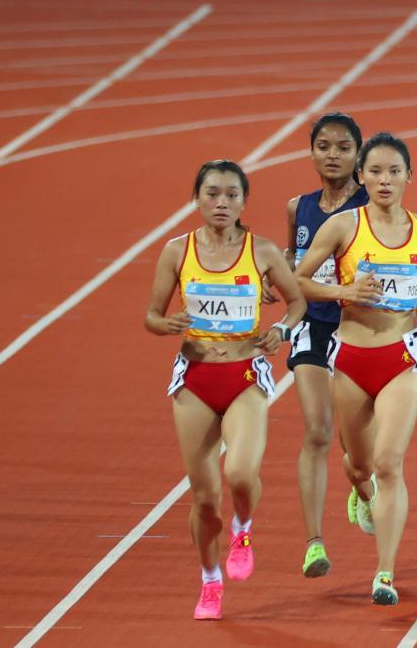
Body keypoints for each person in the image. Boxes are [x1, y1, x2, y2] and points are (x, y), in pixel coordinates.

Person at [294, 133, 417, 606]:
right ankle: (359, 489)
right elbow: (300, 279)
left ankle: (384, 573)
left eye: (394, 171)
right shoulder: (344, 227)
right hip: (350, 355)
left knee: (389, 463)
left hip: (401, 357)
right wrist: (344, 294)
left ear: (409, 176)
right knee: (360, 463)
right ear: (362, 176)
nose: (385, 180)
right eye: (376, 172)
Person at [145, 159, 306, 620]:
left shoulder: (263, 251)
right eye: (212, 193)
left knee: (239, 473)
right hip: (195, 379)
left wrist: (282, 331)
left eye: (232, 195)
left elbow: (295, 301)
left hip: (246, 375)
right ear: (197, 199)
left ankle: (244, 526)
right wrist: (166, 324)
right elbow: (152, 316)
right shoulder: (177, 251)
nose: (221, 203)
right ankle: (210, 581)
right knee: (202, 496)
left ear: (243, 202)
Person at [284, 113, 369, 578]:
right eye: (323, 146)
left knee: (360, 453)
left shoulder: (370, 203)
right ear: (311, 151)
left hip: (361, 332)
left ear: (357, 154)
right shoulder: (298, 207)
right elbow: (291, 261)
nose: (332, 155)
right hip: (314, 330)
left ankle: (362, 483)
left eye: (342, 147)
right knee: (317, 432)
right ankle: (314, 542)